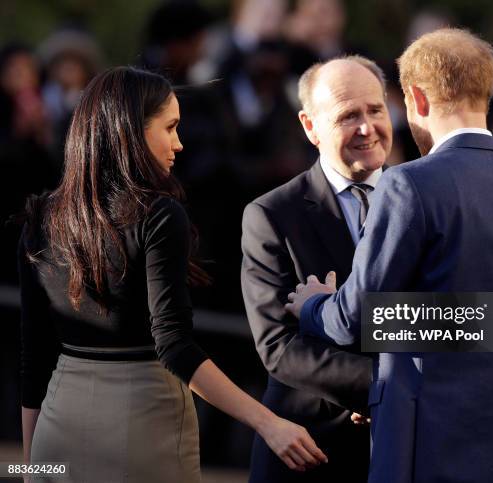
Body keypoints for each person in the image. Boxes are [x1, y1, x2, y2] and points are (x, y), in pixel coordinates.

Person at [286, 29, 493, 483]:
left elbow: (353, 320)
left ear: (417, 100)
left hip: (429, 447)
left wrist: (312, 305)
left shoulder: (407, 186)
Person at [19, 66, 327, 483]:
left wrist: (33, 462)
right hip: (140, 424)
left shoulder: (41, 217)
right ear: (130, 131)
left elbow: (34, 357)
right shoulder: (159, 215)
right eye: (170, 127)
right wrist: (267, 422)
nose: (179, 143)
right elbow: (175, 347)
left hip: (55, 428)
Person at [241, 55, 392, 483]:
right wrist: (382, 387)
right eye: (348, 116)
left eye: (375, 110)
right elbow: (278, 346)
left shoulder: (422, 203)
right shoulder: (273, 214)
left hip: (400, 449)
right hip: (307, 451)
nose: (367, 128)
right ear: (311, 127)